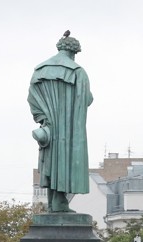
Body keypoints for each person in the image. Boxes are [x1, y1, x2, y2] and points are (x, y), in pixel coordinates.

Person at [28, 31, 92, 213]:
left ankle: (54, 203)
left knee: (51, 163)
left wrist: (43, 118)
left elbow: (32, 99)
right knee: (65, 162)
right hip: (70, 129)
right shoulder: (77, 72)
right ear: (74, 52)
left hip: (49, 128)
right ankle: (59, 203)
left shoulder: (39, 71)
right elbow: (86, 99)